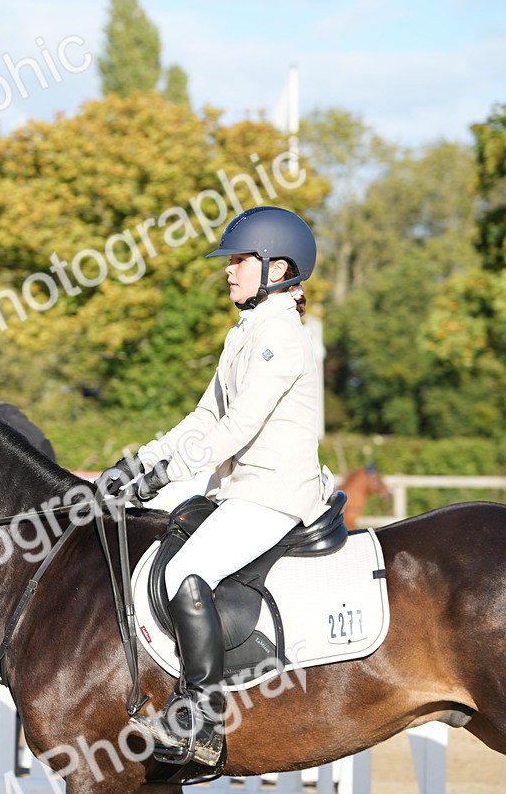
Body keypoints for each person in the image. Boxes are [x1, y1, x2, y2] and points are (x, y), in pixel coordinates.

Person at [98, 206, 331, 767]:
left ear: (278, 268)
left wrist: (167, 473)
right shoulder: (247, 331)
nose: (228, 271)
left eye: (240, 260)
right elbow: (205, 416)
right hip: (241, 489)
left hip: (275, 492)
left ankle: (200, 714)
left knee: (184, 572)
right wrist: (141, 463)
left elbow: (238, 426)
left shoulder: (280, 336)